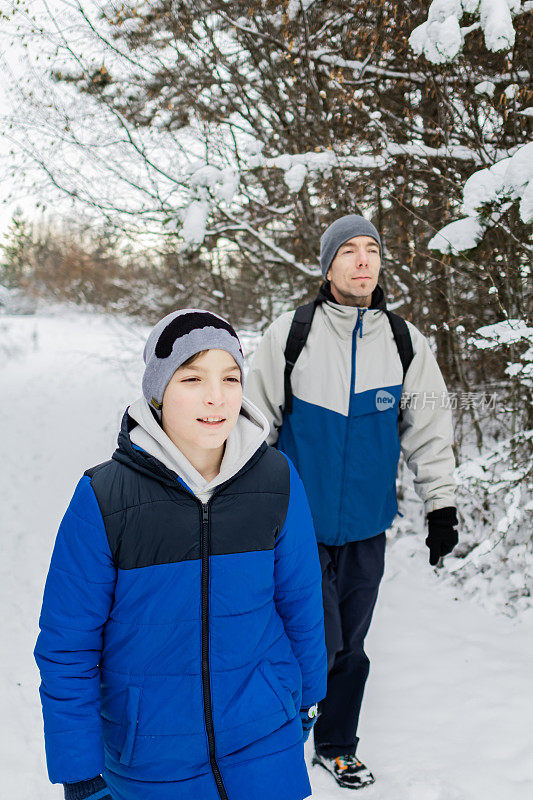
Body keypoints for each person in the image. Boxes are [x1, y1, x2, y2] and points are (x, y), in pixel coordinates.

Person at [35, 309, 327, 800]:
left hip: (265, 745)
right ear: (158, 391)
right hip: (149, 761)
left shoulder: (277, 481)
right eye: (192, 378)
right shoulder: (105, 497)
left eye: (230, 377)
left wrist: (307, 698)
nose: (216, 396)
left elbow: (301, 603)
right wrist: (80, 773)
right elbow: (68, 646)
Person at [245, 214, 458, 791]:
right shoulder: (291, 336)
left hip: (367, 526)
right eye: (349, 252)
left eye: (372, 250)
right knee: (312, 636)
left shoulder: (406, 343)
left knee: (352, 647)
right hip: (297, 524)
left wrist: (440, 505)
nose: (363, 261)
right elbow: (253, 424)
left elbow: (428, 431)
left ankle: (336, 745)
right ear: (328, 266)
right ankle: (282, 736)